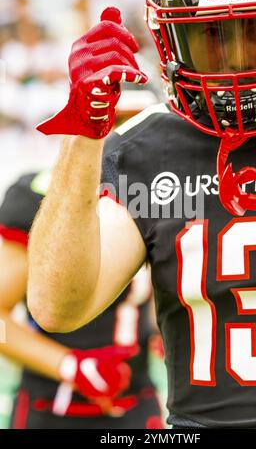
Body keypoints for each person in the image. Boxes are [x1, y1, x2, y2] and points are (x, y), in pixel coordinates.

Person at [28, 0, 256, 428]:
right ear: (171, 40)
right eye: (211, 38)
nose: (234, 61)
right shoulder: (145, 151)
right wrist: (82, 134)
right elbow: (57, 307)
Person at [0, 170, 162, 429]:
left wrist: (162, 328)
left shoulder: (151, 185)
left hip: (134, 403)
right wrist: (70, 366)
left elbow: (145, 286)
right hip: (53, 409)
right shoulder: (38, 194)